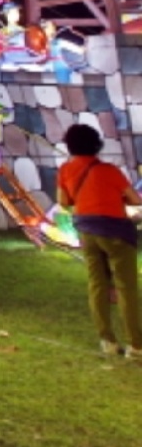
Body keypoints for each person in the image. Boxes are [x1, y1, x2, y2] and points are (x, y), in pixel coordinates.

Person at [56, 122, 142, 358]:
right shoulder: (109, 170)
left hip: (87, 231)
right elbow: (135, 200)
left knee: (97, 285)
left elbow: (63, 201)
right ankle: (136, 345)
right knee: (125, 286)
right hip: (115, 231)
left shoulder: (65, 170)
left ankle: (107, 341)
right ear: (96, 144)